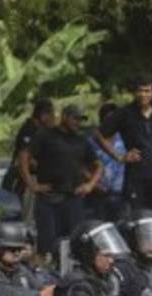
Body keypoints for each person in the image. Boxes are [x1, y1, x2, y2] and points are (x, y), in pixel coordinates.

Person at [95, 73, 152, 220]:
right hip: (136, 177)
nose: (143, 94)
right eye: (140, 90)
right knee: (137, 220)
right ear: (135, 92)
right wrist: (119, 156)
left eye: (147, 91)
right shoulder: (124, 113)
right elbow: (99, 134)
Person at [20, 104, 100, 261]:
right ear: (64, 117)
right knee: (46, 247)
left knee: (75, 243)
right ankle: (43, 273)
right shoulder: (46, 135)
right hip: (49, 198)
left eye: (80, 120)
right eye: (75, 119)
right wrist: (31, 184)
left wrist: (90, 185)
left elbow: (98, 165)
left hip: (73, 199)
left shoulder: (81, 140)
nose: (78, 123)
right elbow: (24, 156)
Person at [2, 98, 54, 222]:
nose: (52, 119)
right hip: (27, 180)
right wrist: (31, 183)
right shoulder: (29, 130)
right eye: (50, 115)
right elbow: (24, 158)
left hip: (37, 180)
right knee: (28, 218)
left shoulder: (42, 131)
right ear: (43, 114)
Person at [88, 101, 126, 223]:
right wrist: (93, 184)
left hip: (121, 193)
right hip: (98, 194)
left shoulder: (126, 138)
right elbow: (81, 165)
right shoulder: (91, 141)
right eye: (108, 119)